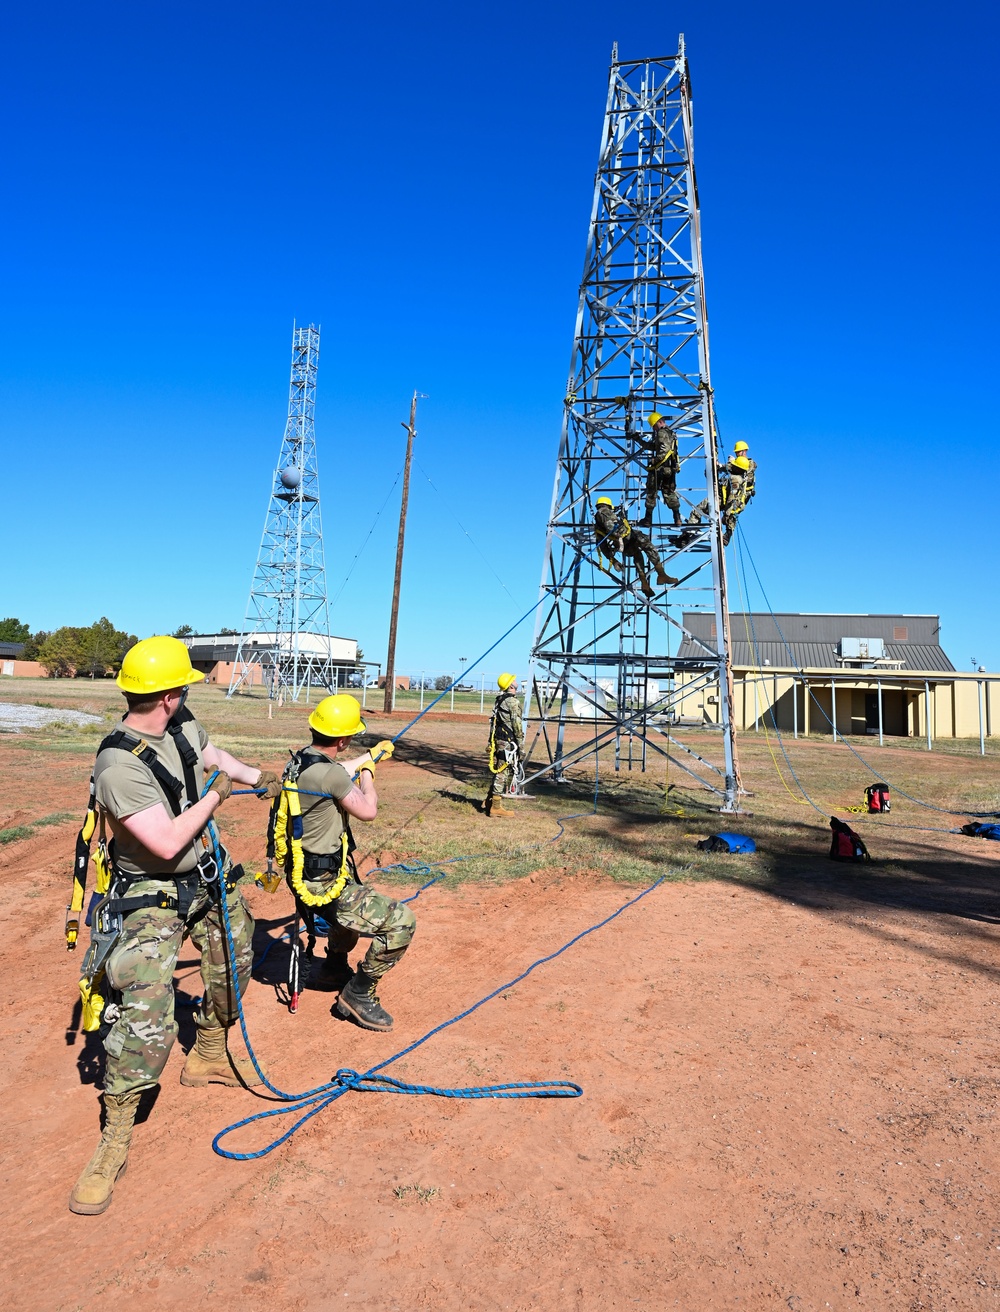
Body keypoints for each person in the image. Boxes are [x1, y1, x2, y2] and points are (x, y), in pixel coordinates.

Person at [69, 635, 282, 1216]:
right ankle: (114, 1139)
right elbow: (164, 841)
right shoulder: (117, 763)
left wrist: (257, 775)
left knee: (234, 962)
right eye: (183, 685)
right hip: (150, 893)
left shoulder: (181, 723)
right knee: (148, 1011)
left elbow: (215, 759)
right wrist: (218, 796)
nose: (189, 691)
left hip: (206, 877)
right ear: (166, 694)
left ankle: (210, 1049)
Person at [275, 693, 413, 1033]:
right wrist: (368, 772)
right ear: (343, 738)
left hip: (310, 873)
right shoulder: (333, 776)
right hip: (322, 882)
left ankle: (336, 965)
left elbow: (334, 772)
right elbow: (368, 810)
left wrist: (368, 757)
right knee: (401, 922)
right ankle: (359, 994)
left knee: (354, 898)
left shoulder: (300, 762)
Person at [594, 497, 678, 599]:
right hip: (630, 536)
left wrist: (614, 561)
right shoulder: (603, 511)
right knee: (648, 546)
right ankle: (661, 574)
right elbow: (612, 527)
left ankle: (644, 583)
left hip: (623, 544)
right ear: (607, 505)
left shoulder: (597, 527)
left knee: (637, 554)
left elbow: (603, 547)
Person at [483, 673, 523, 818]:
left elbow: (494, 723)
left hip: (499, 739)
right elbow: (517, 725)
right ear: (511, 685)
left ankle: (489, 800)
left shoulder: (500, 700)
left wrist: (490, 742)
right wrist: (521, 746)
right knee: (503, 772)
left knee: (500, 769)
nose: (516, 681)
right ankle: (495, 807)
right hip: (507, 741)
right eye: (514, 680)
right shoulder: (512, 702)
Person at [638, 412, 682, 528]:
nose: (653, 429)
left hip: (660, 468)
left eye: (654, 426)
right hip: (670, 469)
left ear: (659, 422)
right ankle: (677, 518)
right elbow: (654, 446)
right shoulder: (671, 434)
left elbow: (664, 450)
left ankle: (648, 519)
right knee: (669, 493)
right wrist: (639, 440)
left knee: (651, 492)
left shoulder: (661, 433)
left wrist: (654, 460)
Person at [721, 441, 756, 544]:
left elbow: (736, 469)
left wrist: (730, 463)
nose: (737, 454)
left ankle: (727, 534)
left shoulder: (749, 464)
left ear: (744, 452)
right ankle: (726, 531)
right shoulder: (739, 462)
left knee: (732, 511)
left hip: (742, 495)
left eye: (738, 452)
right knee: (729, 508)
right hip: (736, 491)